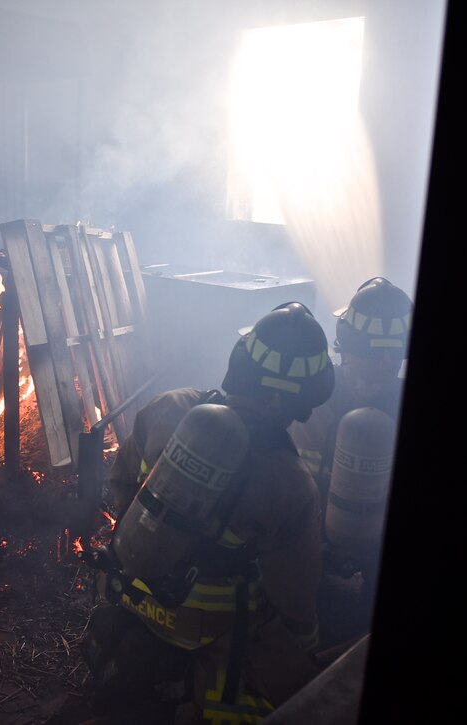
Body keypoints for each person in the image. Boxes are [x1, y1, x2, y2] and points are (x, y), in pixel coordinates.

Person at [82, 301, 335, 724]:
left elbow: (122, 481)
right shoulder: (290, 482)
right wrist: (303, 651)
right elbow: (295, 596)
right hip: (209, 634)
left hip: (131, 595)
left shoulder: (167, 406)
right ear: (294, 402)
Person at [288, 276, 413, 651]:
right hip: (302, 546)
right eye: (372, 359)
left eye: (390, 361)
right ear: (344, 349)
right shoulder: (309, 399)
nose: (382, 368)